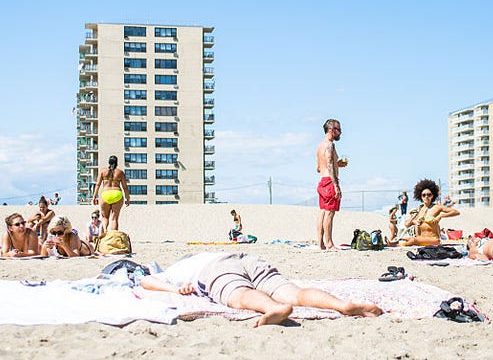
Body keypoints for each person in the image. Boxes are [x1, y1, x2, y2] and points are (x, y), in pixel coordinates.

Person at [140, 252, 382, 327]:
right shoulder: (207, 253)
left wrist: (174, 289)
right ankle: (342, 305)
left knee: (240, 294)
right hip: (248, 258)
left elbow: (146, 281)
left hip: (216, 269)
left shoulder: (183, 266)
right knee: (294, 292)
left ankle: (273, 308)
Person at [396, 179, 459, 246]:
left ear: (432, 196)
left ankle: (396, 246)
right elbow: (407, 224)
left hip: (433, 239)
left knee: (414, 240)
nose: (426, 197)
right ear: (421, 197)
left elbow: (456, 212)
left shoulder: (437, 207)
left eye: (429, 195)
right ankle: (392, 243)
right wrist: (415, 221)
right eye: (424, 195)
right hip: (422, 238)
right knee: (404, 238)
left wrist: (440, 216)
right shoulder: (420, 209)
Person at [316, 119, 347, 250]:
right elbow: (329, 163)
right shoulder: (329, 145)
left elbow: (319, 167)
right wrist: (336, 185)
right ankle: (329, 243)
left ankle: (321, 243)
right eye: (338, 130)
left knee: (323, 212)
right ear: (331, 130)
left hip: (322, 180)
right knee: (329, 213)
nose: (340, 132)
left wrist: (338, 164)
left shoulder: (320, 146)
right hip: (329, 181)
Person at [92, 155, 130, 232]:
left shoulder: (103, 171)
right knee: (114, 219)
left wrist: (94, 196)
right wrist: (127, 198)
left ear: (109, 162)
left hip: (105, 194)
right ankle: (113, 236)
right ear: (117, 163)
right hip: (117, 194)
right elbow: (125, 187)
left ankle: (105, 232)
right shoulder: (120, 172)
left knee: (105, 217)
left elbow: (98, 184)